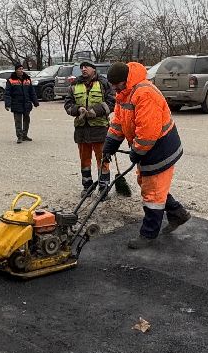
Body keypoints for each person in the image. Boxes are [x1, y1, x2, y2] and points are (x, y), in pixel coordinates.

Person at [102, 61, 190, 249]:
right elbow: (118, 121)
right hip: (149, 148)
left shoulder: (144, 93)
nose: (114, 88)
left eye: (117, 84)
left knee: (153, 192)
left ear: (125, 79)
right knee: (148, 184)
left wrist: (137, 151)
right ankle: (177, 213)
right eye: (112, 85)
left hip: (160, 148)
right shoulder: (123, 94)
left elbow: (148, 130)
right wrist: (110, 143)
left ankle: (149, 234)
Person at [64, 61, 113, 191]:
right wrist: (78, 109)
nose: (83, 69)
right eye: (81, 67)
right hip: (82, 129)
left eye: (86, 67)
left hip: (99, 129)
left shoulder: (103, 83)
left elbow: (112, 102)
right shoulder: (74, 85)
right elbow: (68, 105)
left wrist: (96, 111)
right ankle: (87, 186)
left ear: (93, 69)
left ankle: (104, 187)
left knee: (102, 160)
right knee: (85, 161)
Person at [4, 61, 39, 143]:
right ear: (16, 70)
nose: (21, 70)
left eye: (22, 69)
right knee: (18, 121)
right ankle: (19, 136)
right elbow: (7, 93)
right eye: (19, 69)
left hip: (26, 103)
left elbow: (32, 92)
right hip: (16, 104)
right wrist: (7, 104)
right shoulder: (11, 80)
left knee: (27, 120)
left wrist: (35, 102)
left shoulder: (27, 79)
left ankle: (24, 135)